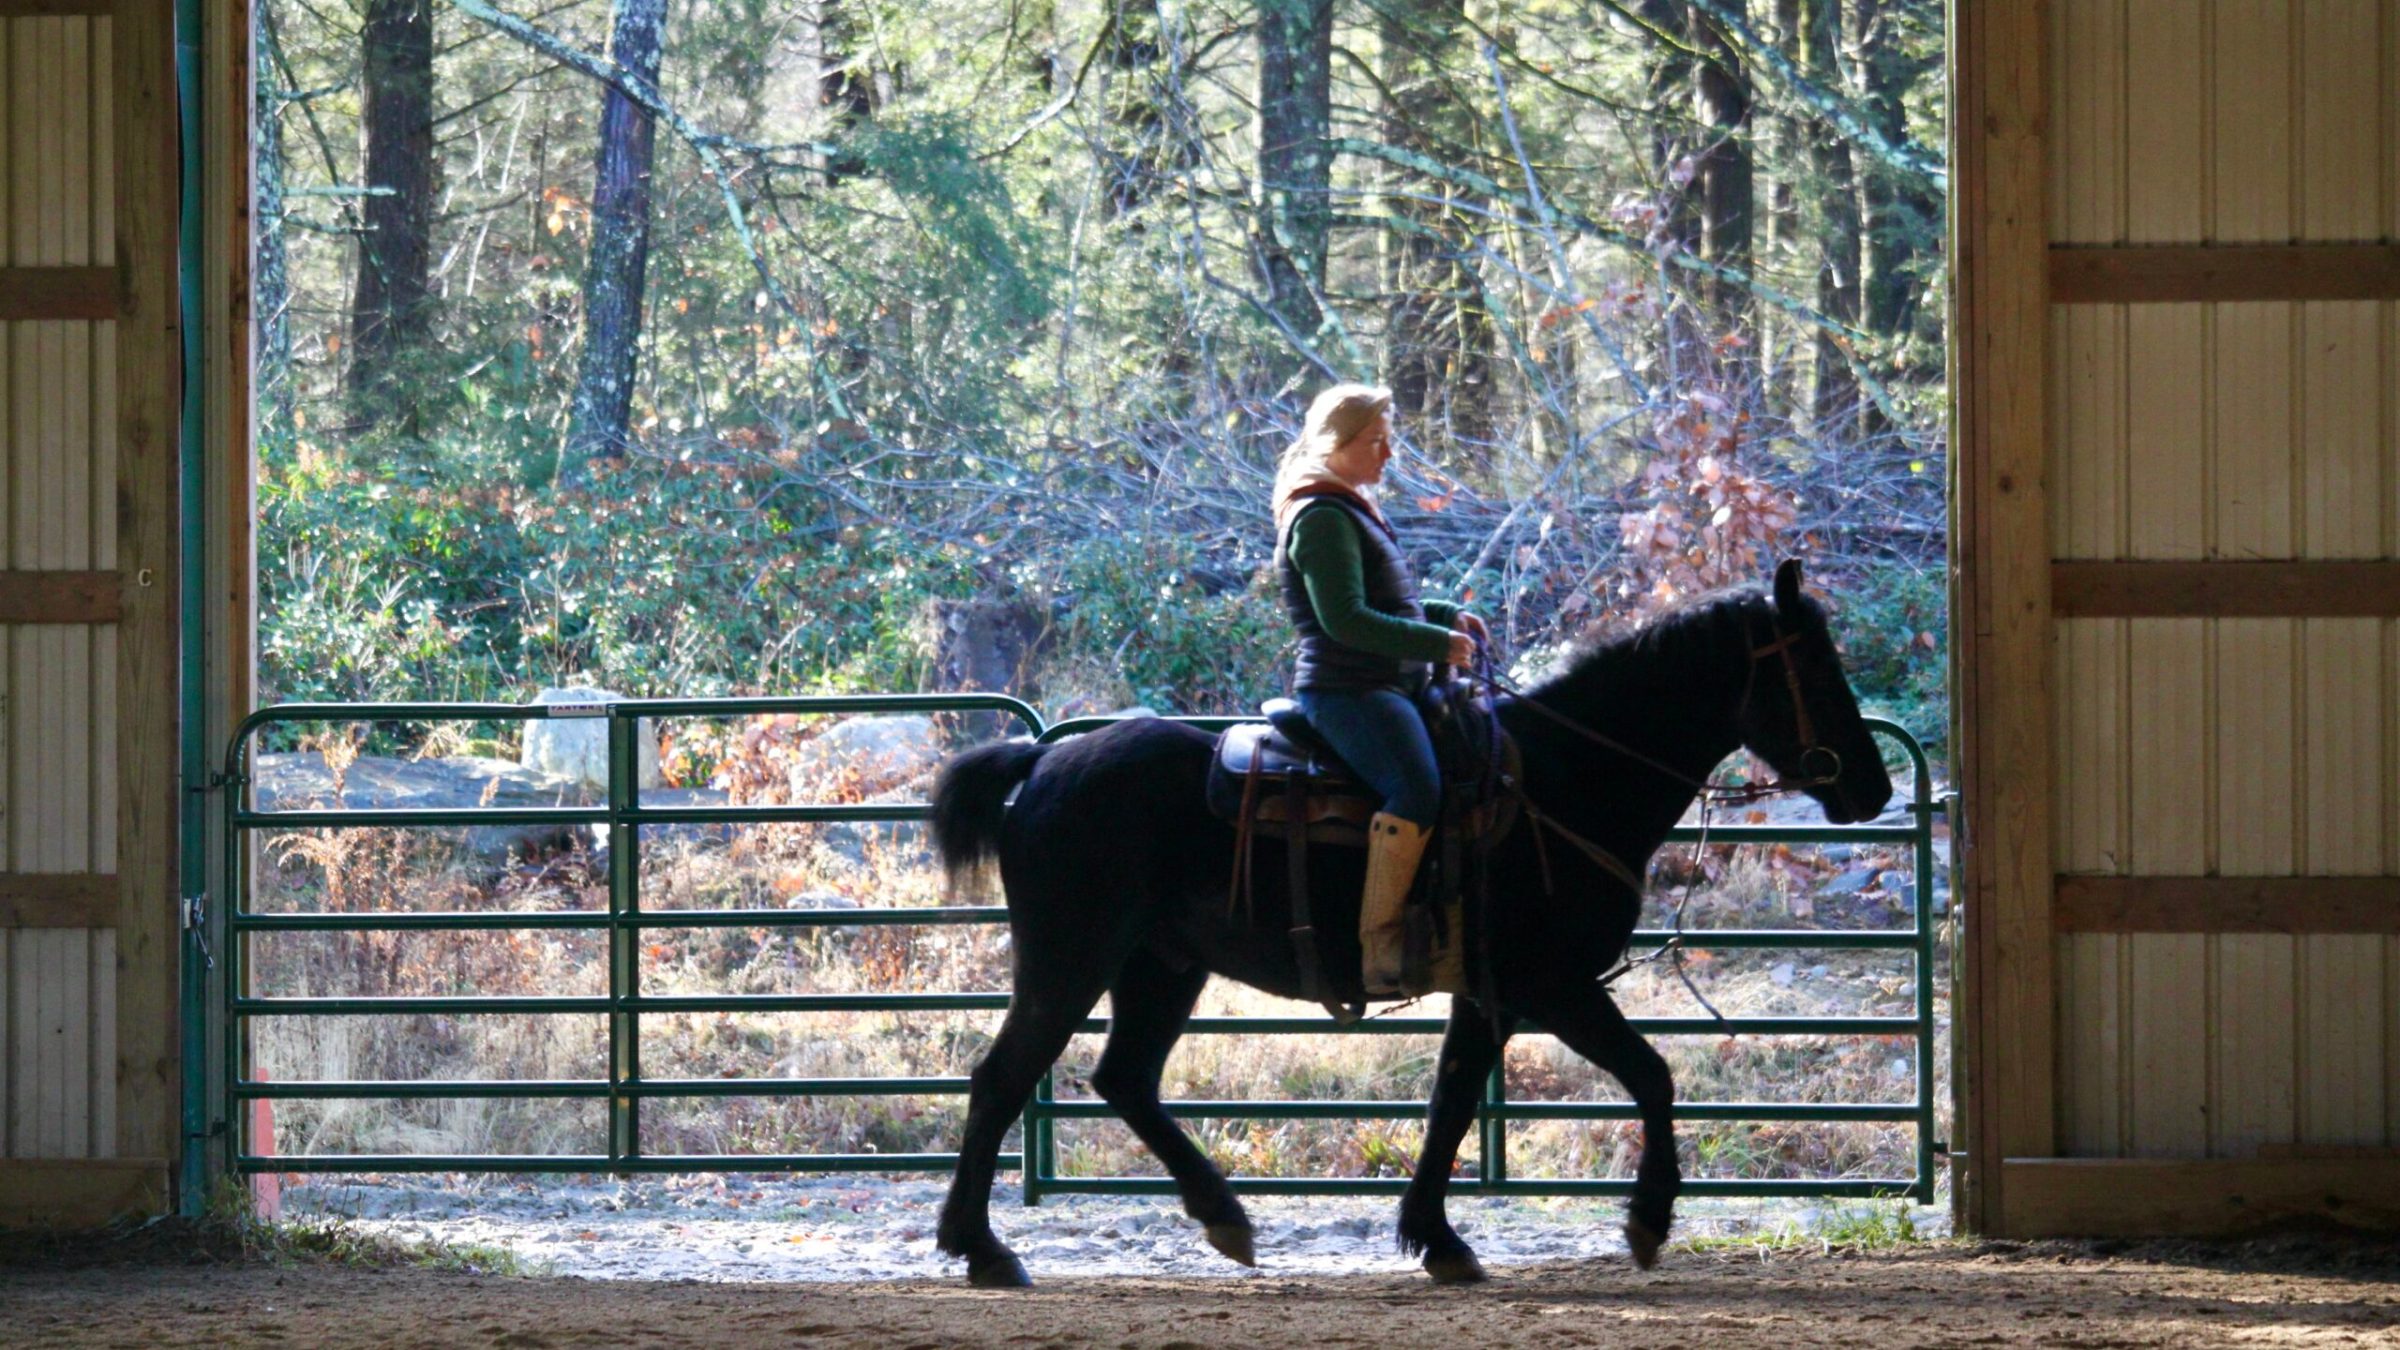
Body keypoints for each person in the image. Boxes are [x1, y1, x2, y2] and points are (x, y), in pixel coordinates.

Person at [1270, 383, 1489, 994]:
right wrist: (1434, 645)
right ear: (1336, 444)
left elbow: (1389, 601)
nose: (1387, 454)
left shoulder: (1347, 505)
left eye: (1388, 439)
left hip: (1385, 683)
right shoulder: (1319, 516)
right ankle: (1382, 949)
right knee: (1415, 787)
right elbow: (1345, 619)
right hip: (1349, 690)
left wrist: (1445, 618)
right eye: (1375, 441)